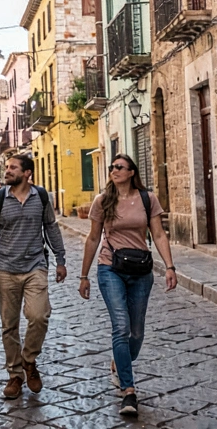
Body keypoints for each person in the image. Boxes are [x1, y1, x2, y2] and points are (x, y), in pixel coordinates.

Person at [78, 154, 177, 417]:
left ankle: (118, 362)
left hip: (141, 271)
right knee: (120, 327)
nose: (114, 170)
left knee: (137, 332)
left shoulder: (148, 199)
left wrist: (169, 266)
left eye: (119, 167)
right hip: (110, 267)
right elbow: (92, 238)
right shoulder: (103, 201)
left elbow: (158, 234)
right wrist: (84, 275)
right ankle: (128, 391)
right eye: (112, 167)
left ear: (132, 172)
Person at [0, 154, 67, 399]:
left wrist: (60, 259)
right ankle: (15, 375)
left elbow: (51, 227)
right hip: (6, 268)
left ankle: (28, 359)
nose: (7, 171)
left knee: (39, 316)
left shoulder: (41, 197)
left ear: (27, 173)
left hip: (35, 266)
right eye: (7, 167)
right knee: (9, 326)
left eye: (12, 168)